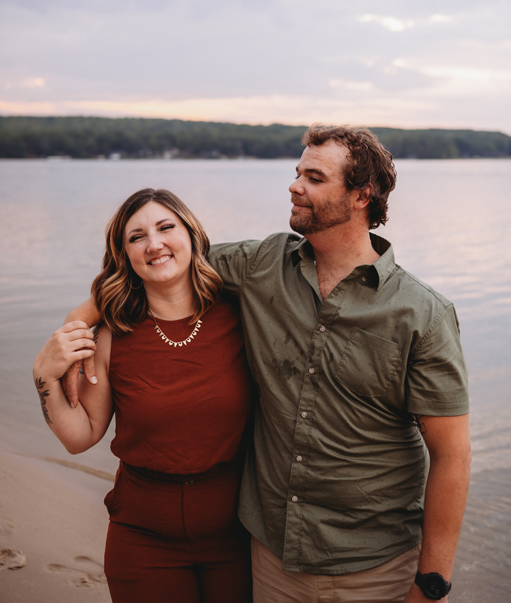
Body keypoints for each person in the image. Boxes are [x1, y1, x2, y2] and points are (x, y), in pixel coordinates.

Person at [64, 125, 471, 603]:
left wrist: (433, 582)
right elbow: (161, 263)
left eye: (314, 178)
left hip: (377, 566)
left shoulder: (423, 314)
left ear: (363, 196)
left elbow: (452, 455)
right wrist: (74, 331)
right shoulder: (261, 265)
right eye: (297, 172)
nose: (295, 185)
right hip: (271, 560)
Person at [33, 188, 253, 603]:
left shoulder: (240, 314)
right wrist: (43, 377)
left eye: (166, 227)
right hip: (144, 541)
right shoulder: (112, 336)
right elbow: (80, 436)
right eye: (136, 237)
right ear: (125, 255)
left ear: (191, 235)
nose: (154, 244)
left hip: (237, 535)